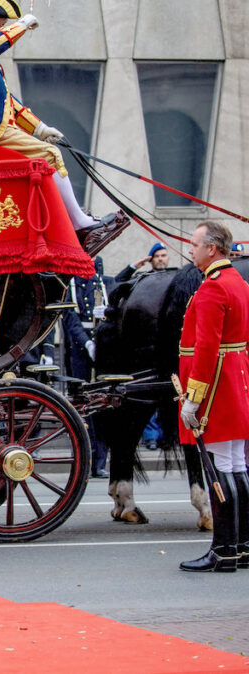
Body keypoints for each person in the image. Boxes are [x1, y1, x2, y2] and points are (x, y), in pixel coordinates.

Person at [0, 0, 123, 247]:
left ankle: (66, 221)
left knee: (46, 151)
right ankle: (78, 223)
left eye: (2, 25)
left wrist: (40, 128)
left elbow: (9, 102)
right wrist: (21, 26)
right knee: (49, 154)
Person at [177, 221, 249, 573]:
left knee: (220, 469)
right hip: (235, 380)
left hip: (216, 385)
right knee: (236, 465)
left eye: (195, 244)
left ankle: (223, 550)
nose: (191, 250)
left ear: (213, 248)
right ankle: (243, 545)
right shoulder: (238, 283)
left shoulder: (212, 289)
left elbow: (206, 348)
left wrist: (194, 397)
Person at [61, 257, 111, 478]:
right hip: (80, 352)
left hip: (99, 347)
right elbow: (71, 318)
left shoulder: (101, 282)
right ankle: (86, 457)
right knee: (83, 406)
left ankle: (100, 461)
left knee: (102, 404)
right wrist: (87, 342)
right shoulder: (72, 283)